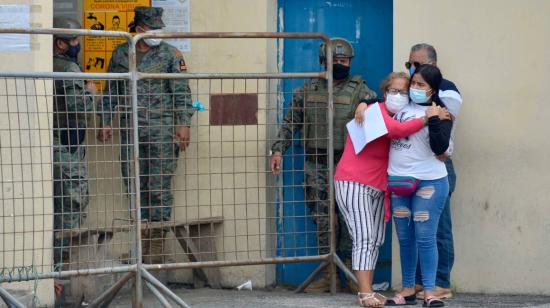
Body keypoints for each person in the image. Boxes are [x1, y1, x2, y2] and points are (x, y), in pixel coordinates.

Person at [270, 37, 377, 292]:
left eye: (344, 61)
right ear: (322, 62)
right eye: (335, 60)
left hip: (350, 165)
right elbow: (290, 124)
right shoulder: (306, 91)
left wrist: (369, 103)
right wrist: (277, 150)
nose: (341, 64)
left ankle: (352, 274)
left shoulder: (363, 92)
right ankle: (328, 273)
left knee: (352, 219)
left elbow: (379, 118)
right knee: (323, 218)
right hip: (316, 163)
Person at [97, 6, 195, 263]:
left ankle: (155, 253)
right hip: (131, 132)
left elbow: (182, 93)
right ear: (139, 29)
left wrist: (184, 124)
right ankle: (140, 251)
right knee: (134, 185)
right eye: (153, 29)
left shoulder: (170, 54)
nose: (157, 33)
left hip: (161, 133)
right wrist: (106, 122)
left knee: (159, 188)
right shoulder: (121, 53)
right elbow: (111, 92)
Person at [336, 72, 433, 307]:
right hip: (353, 181)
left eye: (403, 91)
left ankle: (367, 290)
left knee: (375, 239)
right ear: (385, 92)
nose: (398, 96)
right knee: (364, 236)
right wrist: (426, 119)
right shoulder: (374, 111)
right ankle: (365, 292)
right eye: (393, 90)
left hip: (378, 186)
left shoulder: (400, 113)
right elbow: (395, 131)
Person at [386, 65, 452, 307]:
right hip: (399, 183)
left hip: (429, 182)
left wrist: (433, 118)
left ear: (433, 89)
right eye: (413, 83)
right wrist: (363, 102)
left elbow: (440, 147)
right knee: (405, 238)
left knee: (425, 238)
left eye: (421, 85)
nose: (414, 88)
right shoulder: (399, 107)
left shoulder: (442, 112)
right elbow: (378, 100)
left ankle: (430, 291)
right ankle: (407, 289)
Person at [406, 43, 462, 299]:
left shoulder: (447, 89)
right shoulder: (412, 89)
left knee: (438, 228)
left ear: (434, 65)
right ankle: (420, 282)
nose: (412, 71)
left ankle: (441, 283)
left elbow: (443, 118)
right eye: (410, 65)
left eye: (417, 65)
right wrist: (365, 102)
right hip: (415, 167)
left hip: (438, 166)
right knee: (419, 228)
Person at [52, 17, 97, 269]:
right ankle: (62, 272)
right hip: (67, 146)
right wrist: (90, 93)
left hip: (59, 142)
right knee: (72, 206)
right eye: (73, 40)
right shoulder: (68, 69)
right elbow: (76, 107)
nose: (77, 44)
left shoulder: (54, 64)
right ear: (60, 44)